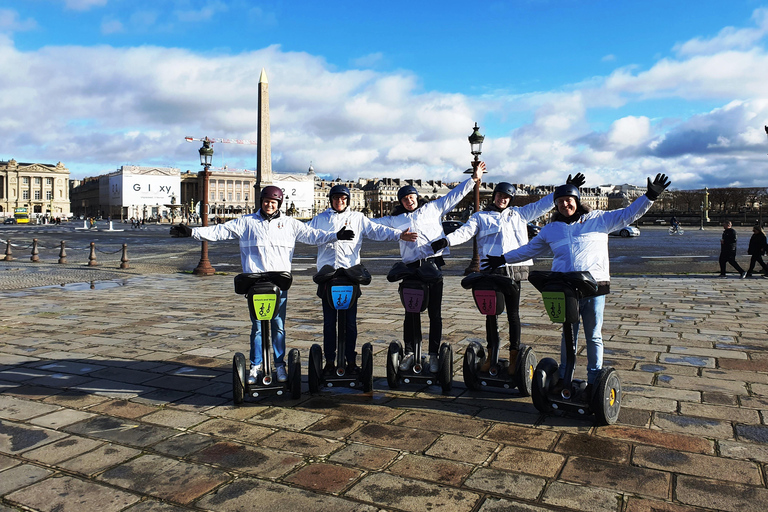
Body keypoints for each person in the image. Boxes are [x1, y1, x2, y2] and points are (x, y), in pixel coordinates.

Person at [482, 173, 671, 396]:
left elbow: (628, 214)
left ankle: (594, 380)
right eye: (560, 201)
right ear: (556, 204)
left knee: (593, 335)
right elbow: (529, 250)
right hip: (565, 289)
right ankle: (564, 377)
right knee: (568, 335)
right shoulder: (551, 229)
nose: (565, 204)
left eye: (569, 200)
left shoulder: (599, 219)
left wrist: (650, 196)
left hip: (594, 286)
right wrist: (503, 258)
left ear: (578, 200)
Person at [171, 185, 355, 384]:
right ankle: (255, 365)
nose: (269, 205)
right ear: (261, 202)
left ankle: (279, 365)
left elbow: (313, 235)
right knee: (257, 327)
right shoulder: (247, 222)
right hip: (255, 282)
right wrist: (192, 233)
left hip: (279, 282)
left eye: (273, 202)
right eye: (267, 201)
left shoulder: (290, 224)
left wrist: (336, 235)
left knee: (278, 326)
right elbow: (220, 231)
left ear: (279, 204)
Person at [430, 173, 585, 374]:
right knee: (491, 314)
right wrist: (447, 240)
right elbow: (465, 232)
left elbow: (543, 204)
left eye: (506, 197)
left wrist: (565, 188)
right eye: (500, 195)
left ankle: (514, 354)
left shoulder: (519, 214)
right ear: (494, 196)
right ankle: (492, 352)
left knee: (513, 314)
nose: (502, 199)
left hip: (513, 268)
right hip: (490, 269)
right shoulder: (481, 217)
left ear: (511, 199)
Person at [373, 162, 484, 373]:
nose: (409, 201)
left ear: (417, 197)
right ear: (401, 202)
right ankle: (409, 352)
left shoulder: (432, 208)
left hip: (432, 267)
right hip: (410, 269)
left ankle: (433, 354)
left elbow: (454, 195)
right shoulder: (396, 220)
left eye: (411, 197)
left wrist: (473, 179)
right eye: (404, 199)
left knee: (435, 313)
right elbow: (372, 227)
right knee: (410, 313)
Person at [309, 184, 418, 374]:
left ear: (348, 200)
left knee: (350, 322)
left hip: (350, 275)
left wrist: (399, 235)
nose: (340, 202)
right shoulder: (320, 219)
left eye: (343, 199)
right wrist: (333, 236)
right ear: (331, 200)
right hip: (328, 275)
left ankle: (350, 359)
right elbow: (308, 235)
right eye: (336, 198)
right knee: (329, 323)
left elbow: (377, 230)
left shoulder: (357, 218)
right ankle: (329, 360)